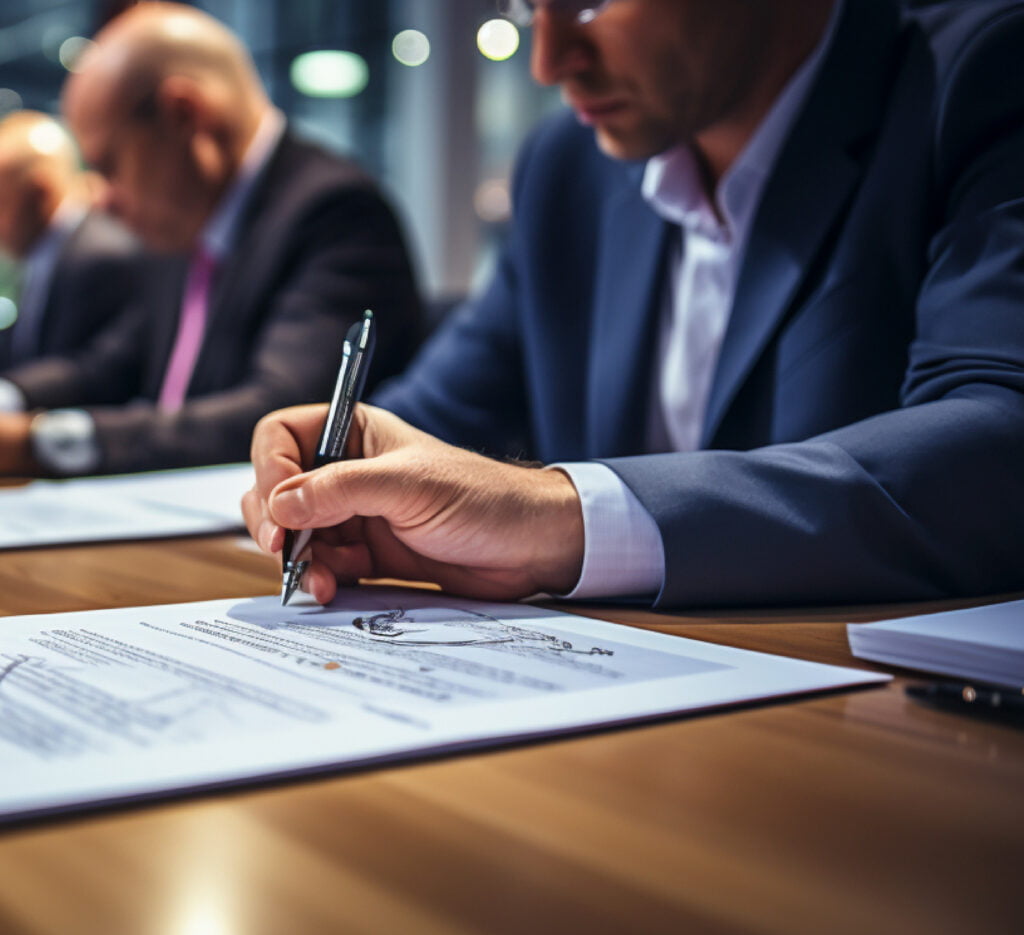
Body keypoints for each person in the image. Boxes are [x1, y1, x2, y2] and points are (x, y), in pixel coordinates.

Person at [244, 0, 1024, 609]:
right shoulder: (568, 166)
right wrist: (351, 467)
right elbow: (443, 413)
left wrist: (561, 522)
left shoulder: (979, 80)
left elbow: (998, 450)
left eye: (589, 0)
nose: (549, 60)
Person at [0, 2, 421, 477]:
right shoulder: (186, 221)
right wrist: (8, 399)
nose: (100, 199)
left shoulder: (336, 214)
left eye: (110, 165)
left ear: (184, 115)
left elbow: (279, 417)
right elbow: (107, 366)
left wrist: (39, 442)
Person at [0, 111, 143, 375]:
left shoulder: (103, 257)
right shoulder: (40, 251)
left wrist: (13, 393)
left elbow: (98, 369)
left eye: (1, 205)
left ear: (39, 193)